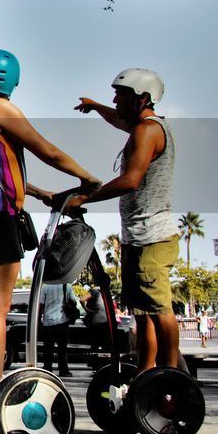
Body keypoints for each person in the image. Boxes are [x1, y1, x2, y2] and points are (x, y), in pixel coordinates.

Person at [0, 50, 99, 419]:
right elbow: (45, 149)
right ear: (10, 80)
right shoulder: (2, 111)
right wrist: (86, 177)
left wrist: (38, 193)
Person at [72, 68, 179, 376]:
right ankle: (146, 374)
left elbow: (131, 180)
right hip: (137, 236)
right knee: (142, 314)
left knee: (159, 310)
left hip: (152, 236)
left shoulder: (148, 130)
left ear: (143, 98)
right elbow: (120, 119)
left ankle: (171, 375)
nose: (115, 100)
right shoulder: (140, 127)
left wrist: (86, 199)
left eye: (121, 95)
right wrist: (95, 106)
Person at [39, 281, 77, 377]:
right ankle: (63, 370)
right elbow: (73, 301)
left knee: (48, 347)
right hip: (62, 321)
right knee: (62, 348)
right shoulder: (67, 285)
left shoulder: (46, 285)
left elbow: (41, 304)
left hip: (48, 321)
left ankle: (48, 368)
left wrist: (39, 319)